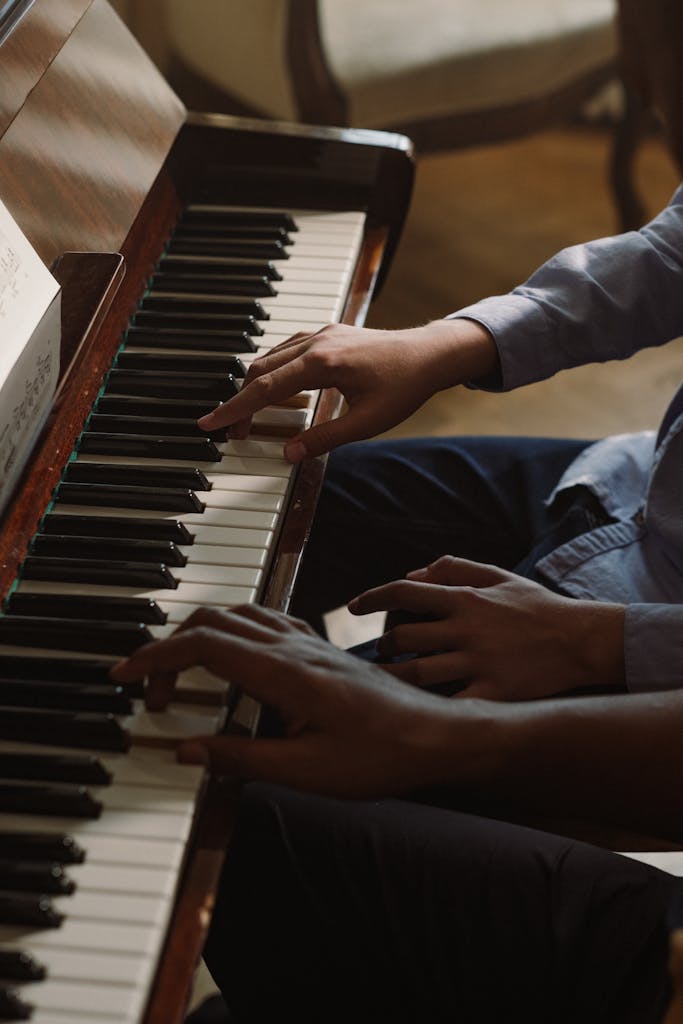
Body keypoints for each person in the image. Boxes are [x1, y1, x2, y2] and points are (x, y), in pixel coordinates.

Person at [110, 182, 683, 1023]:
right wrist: (453, 341)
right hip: (634, 490)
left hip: (649, 640)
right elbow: (672, 253)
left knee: (215, 782)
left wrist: (600, 643)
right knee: (250, 493)